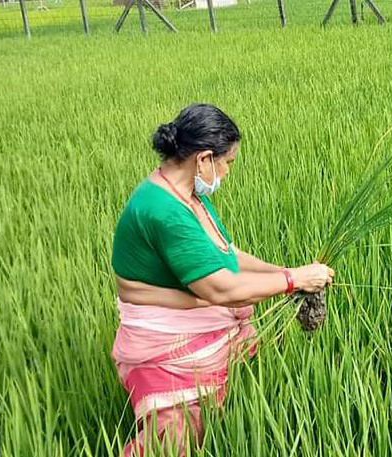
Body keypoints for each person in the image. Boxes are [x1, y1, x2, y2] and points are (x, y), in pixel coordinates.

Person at [109, 103, 335, 456]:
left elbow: (225, 253)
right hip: (165, 347)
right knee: (172, 441)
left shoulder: (184, 195)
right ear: (203, 160)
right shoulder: (166, 212)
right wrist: (293, 280)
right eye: (227, 162)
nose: (228, 172)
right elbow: (221, 288)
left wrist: (283, 272)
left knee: (226, 408)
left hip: (192, 319)